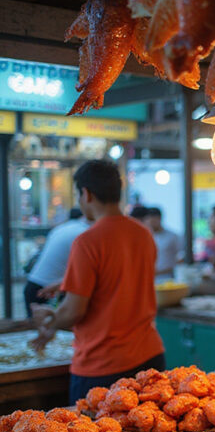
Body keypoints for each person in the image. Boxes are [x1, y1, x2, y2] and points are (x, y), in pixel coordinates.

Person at [31, 160, 165, 403]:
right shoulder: (143, 234)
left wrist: (49, 318)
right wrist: (67, 282)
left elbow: (73, 312)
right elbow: (121, 275)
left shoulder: (87, 241)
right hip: (149, 358)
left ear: (86, 194)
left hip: (102, 367)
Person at [23, 207, 89, 316]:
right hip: (47, 289)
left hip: (35, 283)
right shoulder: (83, 233)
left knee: (41, 327)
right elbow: (84, 273)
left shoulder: (61, 229)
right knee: (48, 326)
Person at [144, 207, 181, 278]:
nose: (151, 223)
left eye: (154, 220)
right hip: (150, 278)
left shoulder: (172, 236)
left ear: (160, 219)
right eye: (149, 220)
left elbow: (181, 256)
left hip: (168, 277)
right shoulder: (145, 237)